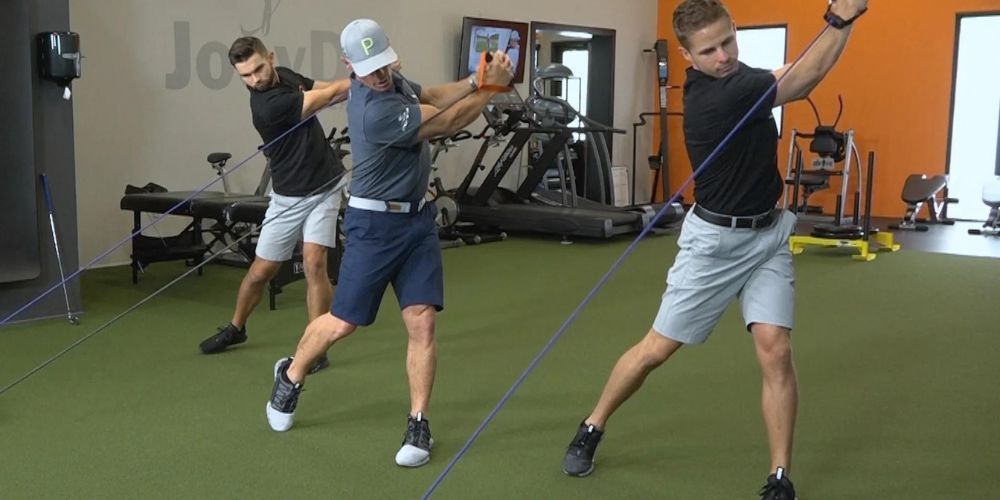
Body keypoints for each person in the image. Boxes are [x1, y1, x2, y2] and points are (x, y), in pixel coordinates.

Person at [560, 0, 869, 497]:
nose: (723, 56)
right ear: (687, 55)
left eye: (727, 42)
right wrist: (842, 18)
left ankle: (779, 477)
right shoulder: (714, 97)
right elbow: (805, 79)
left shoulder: (742, 76)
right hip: (714, 245)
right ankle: (593, 424)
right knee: (655, 350)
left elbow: (791, 70)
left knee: (777, 351)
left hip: (767, 236)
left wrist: (843, 21)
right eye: (709, 50)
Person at [264, 19, 514, 468]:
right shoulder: (373, 110)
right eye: (368, 70)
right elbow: (446, 121)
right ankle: (292, 373)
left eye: (382, 66)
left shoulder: (393, 80)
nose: (378, 77)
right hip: (372, 228)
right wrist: (490, 90)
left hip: (416, 222)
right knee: (343, 323)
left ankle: (419, 420)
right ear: (349, 66)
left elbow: (434, 97)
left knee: (422, 322)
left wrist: (476, 80)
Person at [198, 36, 351, 375]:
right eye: (246, 76)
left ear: (271, 58)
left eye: (258, 69)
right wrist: (364, 76)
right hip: (289, 197)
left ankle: (317, 346)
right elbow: (325, 96)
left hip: (326, 185)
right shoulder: (266, 106)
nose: (254, 79)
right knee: (261, 271)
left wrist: (361, 83)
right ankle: (237, 327)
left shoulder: (285, 75)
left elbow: (322, 86)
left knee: (315, 264)